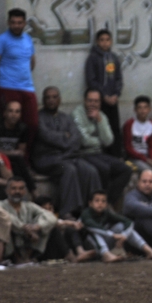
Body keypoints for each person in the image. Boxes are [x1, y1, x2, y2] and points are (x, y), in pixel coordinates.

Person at [33, 86, 102, 216]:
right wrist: (65, 136)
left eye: (54, 97)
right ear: (43, 100)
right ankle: (68, 211)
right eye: (48, 98)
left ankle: (94, 209)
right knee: (68, 169)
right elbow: (47, 136)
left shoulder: (66, 117)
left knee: (90, 170)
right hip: (47, 158)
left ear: (60, 99)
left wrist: (65, 142)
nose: (51, 100)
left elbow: (76, 138)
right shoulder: (39, 118)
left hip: (68, 156)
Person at [72, 89, 133, 210]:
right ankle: (98, 204)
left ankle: (107, 202)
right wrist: (100, 140)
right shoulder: (77, 114)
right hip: (82, 154)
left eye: (96, 101)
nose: (93, 104)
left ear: (100, 103)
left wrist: (99, 120)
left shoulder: (101, 115)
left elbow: (109, 141)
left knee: (126, 169)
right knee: (104, 169)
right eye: (90, 101)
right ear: (84, 101)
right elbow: (84, 141)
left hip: (98, 153)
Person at [0, 8, 38, 148]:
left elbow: (31, 62)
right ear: (8, 23)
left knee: (32, 124)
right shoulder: (1, 41)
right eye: (13, 22)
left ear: (24, 23)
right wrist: (5, 77)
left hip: (27, 87)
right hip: (8, 88)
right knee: (10, 125)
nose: (16, 25)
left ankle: (26, 159)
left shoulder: (28, 39)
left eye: (20, 22)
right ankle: (8, 160)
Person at [0, 177, 62, 263]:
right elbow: (7, 217)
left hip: (28, 242)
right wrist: (24, 228)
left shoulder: (29, 206)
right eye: (14, 188)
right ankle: (16, 258)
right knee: (4, 222)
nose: (17, 192)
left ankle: (28, 257)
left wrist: (37, 227)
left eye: (21, 188)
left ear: (25, 191)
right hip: (11, 246)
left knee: (45, 221)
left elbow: (51, 217)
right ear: (7, 190)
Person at [81, 189, 152, 262]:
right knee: (95, 232)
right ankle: (106, 255)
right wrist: (113, 235)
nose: (100, 203)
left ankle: (147, 250)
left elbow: (128, 221)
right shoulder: (86, 213)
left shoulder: (106, 213)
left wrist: (124, 235)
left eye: (103, 201)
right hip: (90, 245)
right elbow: (93, 226)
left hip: (105, 243)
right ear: (90, 203)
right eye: (97, 201)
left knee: (120, 226)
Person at [85, 29, 124, 158]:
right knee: (102, 129)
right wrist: (104, 96)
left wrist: (116, 94)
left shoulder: (114, 58)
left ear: (111, 41)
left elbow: (118, 78)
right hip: (100, 102)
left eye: (107, 40)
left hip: (113, 101)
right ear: (97, 42)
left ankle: (116, 156)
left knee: (114, 129)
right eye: (102, 40)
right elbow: (91, 80)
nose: (105, 43)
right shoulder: (93, 58)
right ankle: (105, 156)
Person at [0, 100, 35, 193]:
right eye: (11, 111)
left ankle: (21, 191)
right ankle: (33, 191)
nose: (14, 114)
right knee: (18, 162)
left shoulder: (23, 128)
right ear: (4, 113)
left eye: (17, 111)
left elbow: (21, 152)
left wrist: (11, 153)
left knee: (18, 163)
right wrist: (12, 153)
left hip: (14, 161)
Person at [123, 95, 152, 191]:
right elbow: (128, 148)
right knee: (149, 172)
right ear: (135, 110)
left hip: (148, 156)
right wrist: (145, 159)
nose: (142, 111)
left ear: (149, 109)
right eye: (139, 108)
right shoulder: (129, 124)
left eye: (145, 107)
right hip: (134, 158)